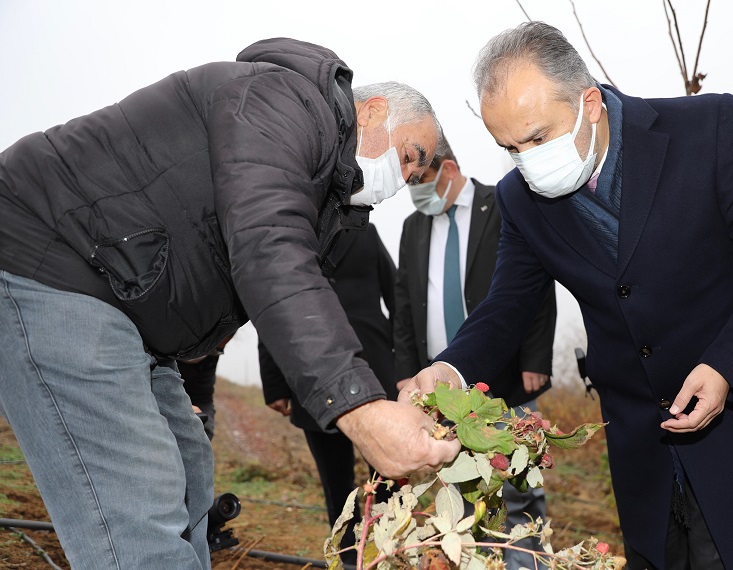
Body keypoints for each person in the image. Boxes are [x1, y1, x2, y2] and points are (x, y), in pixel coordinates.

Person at [0, 37, 460, 569]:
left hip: (128, 307)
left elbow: (234, 295)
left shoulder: (333, 207)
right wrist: (359, 408)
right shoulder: (281, 100)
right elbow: (270, 252)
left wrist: (195, 390)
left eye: (415, 176)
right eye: (408, 158)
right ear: (373, 109)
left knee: (189, 462)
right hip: (54, 263)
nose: (403, 181)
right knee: (140, 498)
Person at [400, 22, 733, 570]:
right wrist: (448, 371)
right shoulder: (520, 199)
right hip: (640, 446)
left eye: (536, 138)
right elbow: (507, 306)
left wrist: (726, 365)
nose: (525, 160)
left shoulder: (705, 127)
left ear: (589, 103)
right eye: (508, 147)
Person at [394, 138, 557, 568]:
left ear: (447, 170)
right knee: (460, 488)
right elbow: (405, 304)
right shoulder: (414, 227)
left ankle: (526, 562)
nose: (414, 190)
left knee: (517, 483)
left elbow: (534, 287)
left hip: (502, 376)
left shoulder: (502, 205)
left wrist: (536, 358)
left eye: (420, 180)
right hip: (442, 388)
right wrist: (406, 370)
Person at [259, 223, 397, 566]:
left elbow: (397, 294)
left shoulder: (365, 230)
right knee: (337, 485)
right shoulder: (289, 232)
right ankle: (348, 558)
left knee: (387, 475)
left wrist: (406, 362)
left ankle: (389, 552)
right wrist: (275, 383)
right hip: (311, 373)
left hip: (374, 368)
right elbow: (270, 309)